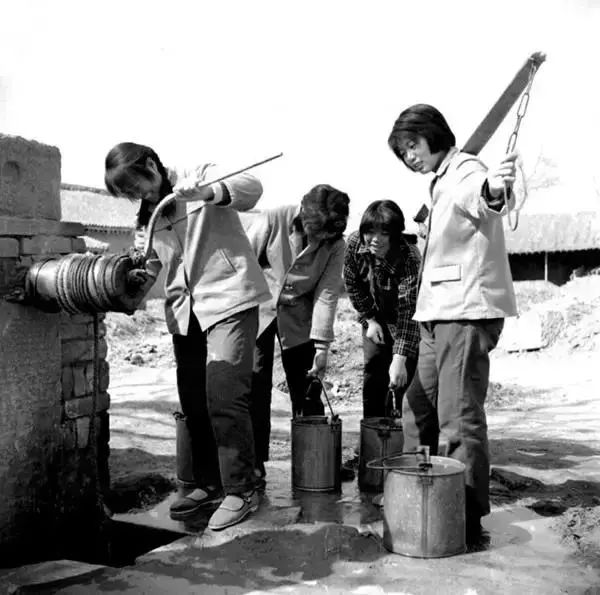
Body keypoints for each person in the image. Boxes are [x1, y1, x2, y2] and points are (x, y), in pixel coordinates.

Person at [104, 142, 272, 531]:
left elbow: (251, 188)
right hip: (185, 312)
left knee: (224, 393)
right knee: (195, 401)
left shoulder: (198, 176)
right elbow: (150, 262)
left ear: (150, 165)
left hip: (229, 298)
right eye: (128, 194)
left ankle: (243, 489)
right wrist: (127, 285)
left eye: (136, 187)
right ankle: (210, 484)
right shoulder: (149, 216)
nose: (137, 197)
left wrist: (207, 191)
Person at [387, 104, 518, 542]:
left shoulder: (465, 172)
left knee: (457, 418)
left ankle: (462, 515)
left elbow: (484, 198)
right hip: (433, 315)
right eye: (402, 152)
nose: (409, 156)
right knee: (417, 406)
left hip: (463, 312)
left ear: (432, 135)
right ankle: (419, 493)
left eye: (412, 145)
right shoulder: (439, 182)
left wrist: (494, 190)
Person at [241, 184, 350, 484]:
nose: (318, 241)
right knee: (255, 383)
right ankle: (254, 463)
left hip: (300, 317)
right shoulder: (274, 219)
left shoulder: (335, 245)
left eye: (325, 237)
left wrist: (322, 346)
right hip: (259, 308)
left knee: (307, 386)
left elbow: (327, 295)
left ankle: (313, 459)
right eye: (315, 234)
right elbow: (244, 260)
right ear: (303, 216)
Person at [344, 200, 420, 419]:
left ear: (395, 234)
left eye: (384, 233)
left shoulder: (409, 258)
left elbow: (409, 312)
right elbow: (353, 283)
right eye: (370, 231)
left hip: (406, 325)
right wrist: (370, 319)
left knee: (404, 380)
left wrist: (400, 358)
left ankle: (407, 443)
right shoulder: (355, 243)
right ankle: (372, 439)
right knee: (374, 373)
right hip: (375, 319)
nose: (375, 240)